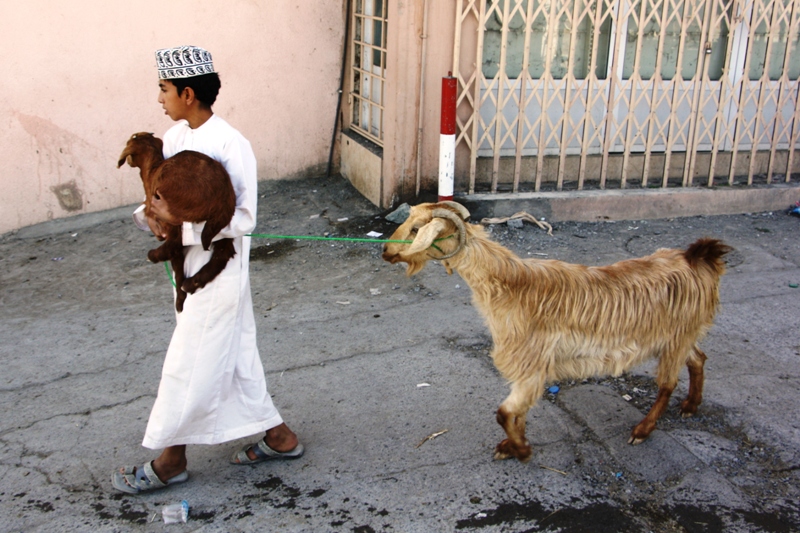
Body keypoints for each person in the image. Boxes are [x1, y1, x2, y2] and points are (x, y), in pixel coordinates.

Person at [112, 45, 303, 494]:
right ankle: (280, 438)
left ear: (189, 93)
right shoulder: (174, 139)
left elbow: (245, 219)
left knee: (190, 362)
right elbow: (161, 199)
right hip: (185, 270)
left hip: (220, 274)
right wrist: (155, 218)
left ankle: (170, 460)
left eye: (164, 90)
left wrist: (185, 223)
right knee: (234, 358)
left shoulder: (231, 144)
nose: (159, 99)